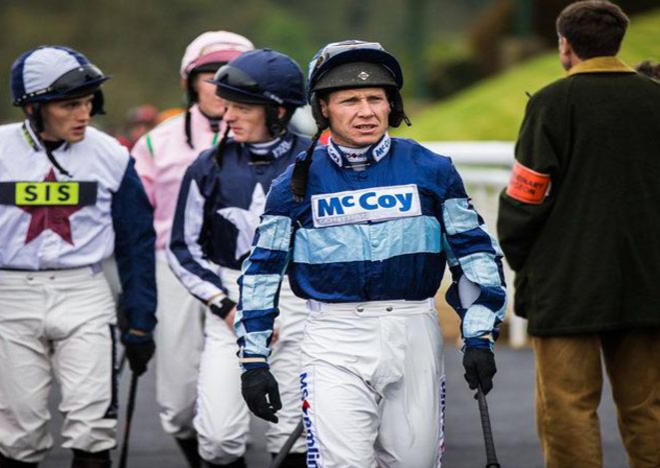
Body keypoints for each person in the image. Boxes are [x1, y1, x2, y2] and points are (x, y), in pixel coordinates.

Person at [235, 40, 507, 467]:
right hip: (332, 337)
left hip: (413, 330)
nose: (366, 111)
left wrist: (479, 337)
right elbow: (262, 274)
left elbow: (473, 256)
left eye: (375, 98)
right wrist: (253, 360)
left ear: (390, 104)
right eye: (350, 100)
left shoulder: (432, 170)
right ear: (323, 108)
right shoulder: (293, 184)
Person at [0, 45, 157, 468]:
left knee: (93, 428)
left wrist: (140, 319)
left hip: (84, 293)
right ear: (32, 107)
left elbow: (136, 242)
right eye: (69, 105)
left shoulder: (113, 156)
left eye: (88, 103)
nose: (83, 114)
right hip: (11, 297)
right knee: (19, 436)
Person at [497, 2, 660, 467]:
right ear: (619, 42)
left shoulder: (551, 103)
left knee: (568, 407)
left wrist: (522, 257)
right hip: (647, 283)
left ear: (565, 45)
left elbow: (525, 196)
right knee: (647, 408)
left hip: (567, 286)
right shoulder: (654, 99)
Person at [167, 48, 310, 467]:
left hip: (301, 300)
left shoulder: (316, 161)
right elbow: (183, 247)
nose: (228, 117)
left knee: (294, 437)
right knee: (217, 437)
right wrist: (225, 306)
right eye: (226, 105)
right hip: (232, 303)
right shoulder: (206, 166)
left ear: (279, 111)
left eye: (242, 107)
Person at [130, 30, 253, 467]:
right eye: (210, 76)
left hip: (251, 271)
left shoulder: (277, 143)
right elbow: (134, 227)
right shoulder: (154, 143)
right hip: (176, 270)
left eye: (233, 76)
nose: (221, 87)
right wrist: (135, 294)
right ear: (190, 83)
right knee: (179, 403)